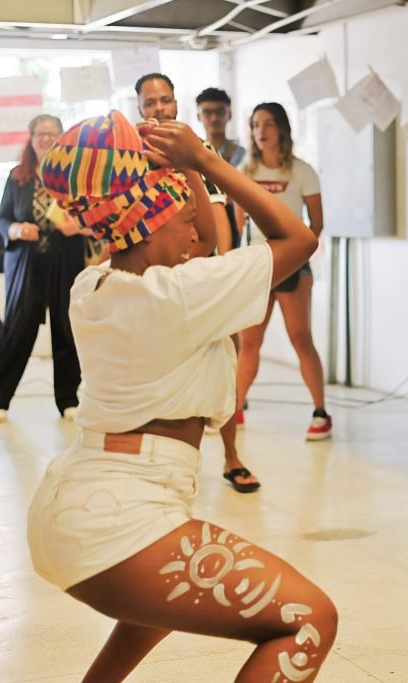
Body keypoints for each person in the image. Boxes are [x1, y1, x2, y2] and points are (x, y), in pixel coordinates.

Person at [27, 110, 336, 681]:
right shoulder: (179, 297)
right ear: (149, 225)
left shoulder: (94, 285)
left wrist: (188, 177)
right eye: (186, 223)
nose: (198, 237)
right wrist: (206, 161)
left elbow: (207, 249)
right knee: (308, 619)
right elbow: (300, 237)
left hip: (73, 504)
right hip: (117, 517)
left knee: (156, 607)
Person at [136, 72, 259, 493]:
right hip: (151, 282)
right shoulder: (130, 155)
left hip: (200, 276)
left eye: (165, 100)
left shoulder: (198, 151)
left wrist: (217, 272)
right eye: (150, 102)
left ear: (175, 104)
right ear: (140, 108)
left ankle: (231, 456)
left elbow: (221, 215)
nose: (159, 109)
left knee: (225, 364)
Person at [228, 102, 330, 459]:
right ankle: (235, 409)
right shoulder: (247, 169)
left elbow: (316, 223)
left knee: (300, 337)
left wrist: (299, 254)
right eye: (255, 124)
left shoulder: (302, 172)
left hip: (293, 265)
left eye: (268, 123)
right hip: (259, 263)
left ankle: (320, 411)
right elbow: (239, 224)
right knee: (249, 341)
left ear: (282, 128)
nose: (261, 130)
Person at [0, 114, 86, 423]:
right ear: (30, 138)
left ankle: (68, 400)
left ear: (62, 138)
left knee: (66, 330)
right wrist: (16, 230)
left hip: (65, 259)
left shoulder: (75, 174)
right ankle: (0, 401)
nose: (46, 138)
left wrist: (78, 226)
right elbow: (2, 218)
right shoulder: (18, 175)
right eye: (40, 133)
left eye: (52, 133)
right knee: (19, 330)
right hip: (26, 262)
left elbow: (96, 215)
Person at [197, 87, 246, 249]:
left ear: (229, 115)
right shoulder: (194, 152)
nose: (213, 118)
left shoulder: (243, 156)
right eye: (207, 112)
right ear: (199, 116)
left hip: (237, 220)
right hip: (204, 219)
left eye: (219, 112)